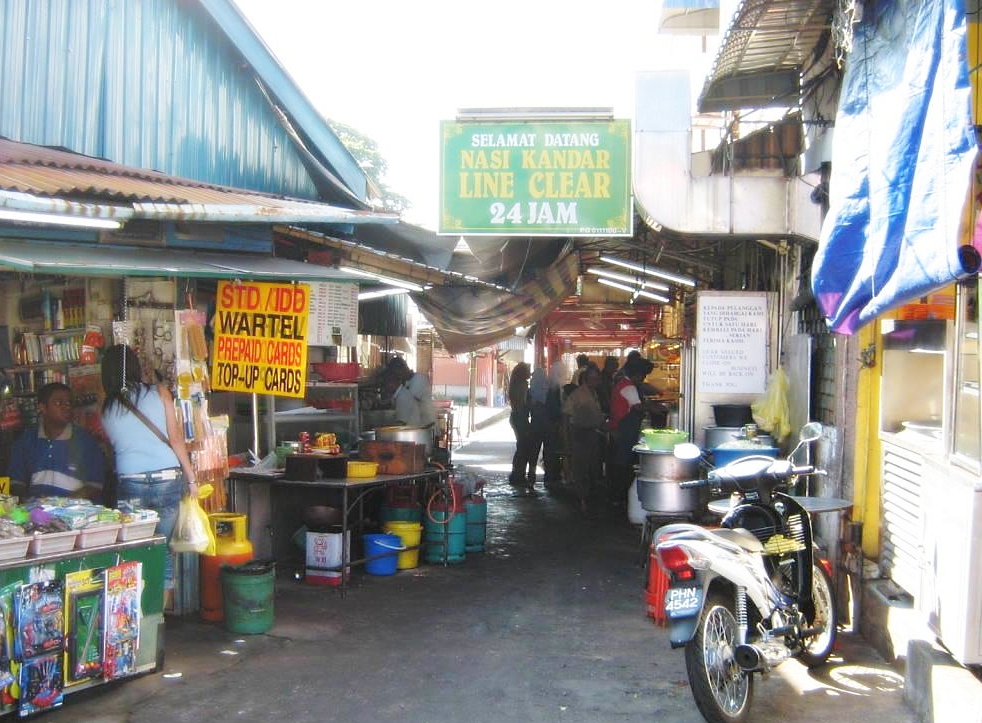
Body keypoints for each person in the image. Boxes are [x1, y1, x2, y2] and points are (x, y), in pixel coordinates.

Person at [100, 344, 197, 611]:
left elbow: (113, 447)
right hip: (167, 479)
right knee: (162, 548)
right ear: (134, 367)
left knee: (133, 552)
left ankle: (133, 619)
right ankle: (156, 619)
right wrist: (191, 479)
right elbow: (176, 439)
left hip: (130, 482)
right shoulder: (159, 392)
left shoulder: (105, 408)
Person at [9, 382, 106, 501]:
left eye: (69, 403)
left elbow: (94, 486)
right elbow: (17, 482)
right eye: (59, 403)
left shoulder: (85, 442)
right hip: (37, 512)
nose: (67, 407)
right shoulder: (27, 440)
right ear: (42, 408)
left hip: (76, 513)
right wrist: (29, 502)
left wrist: (60, 505)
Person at [607, 354, 655, 509]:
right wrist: (656, 408)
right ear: (637, 374)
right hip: (623, 429)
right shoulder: (628, 386)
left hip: (621, 428)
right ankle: (618, 497)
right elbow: (637, 407)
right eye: (643, 376)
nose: (643, 379)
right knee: (622, 463)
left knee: (621, 462)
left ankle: (618, 496)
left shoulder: (623, 383)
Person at [561, 363, 606, 513]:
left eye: (597, 379)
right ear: (587, 379)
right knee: (581, 468)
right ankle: (582, 499)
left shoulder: (594, 393)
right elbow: (566, 416)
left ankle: (587, 498)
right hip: (580, 434)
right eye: (593, 378)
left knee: (592, 467)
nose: (597, 381)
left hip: (593, 433)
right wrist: (567, 440)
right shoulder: (578, 395)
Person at [386, 356, 437, 429]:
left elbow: (407, 401)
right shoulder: (408, 383)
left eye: (396, 373)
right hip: (423, 427)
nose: (397, 376)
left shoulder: (419, 379)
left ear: (402, 368)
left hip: (429, 426)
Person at [507, 362, 533, 489]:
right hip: (520, 417)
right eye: (528, 371)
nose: (530, 373)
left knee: (521, 447)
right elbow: (523, 404)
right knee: (524, 447)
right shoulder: (523, 384)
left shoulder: (514, 384)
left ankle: (516, 474)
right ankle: (519, 475)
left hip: (515, 417)